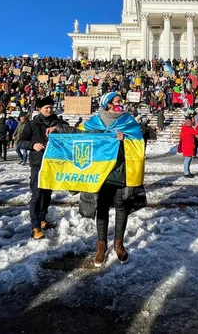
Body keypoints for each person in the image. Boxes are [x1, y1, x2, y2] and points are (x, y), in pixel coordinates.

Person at [77, 92, 147, 267]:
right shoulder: (94, 122)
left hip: (121, 171)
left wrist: (125, 141)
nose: (120, 103)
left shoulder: (128, 121)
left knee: (121, 206)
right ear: (108, 104)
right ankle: (101, 245)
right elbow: (78, 138)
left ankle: (118, 243)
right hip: (100, 173)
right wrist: (58, 130)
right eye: (117, 101)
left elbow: (139, 143)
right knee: (101, 207)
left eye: (120, 101)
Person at [18, 96, 72, 240]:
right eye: (46, 108)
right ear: (39, 109)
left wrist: (57, 128)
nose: (49, 110)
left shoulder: (58, 121)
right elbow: (20, 142)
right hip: (37, 163)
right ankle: (35, 226)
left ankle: (42, 219)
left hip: (53, 163)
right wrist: (33, 145)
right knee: (37, 194)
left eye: (50, 107)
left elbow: (70, 131)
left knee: (47, 193)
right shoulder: (32, 124)